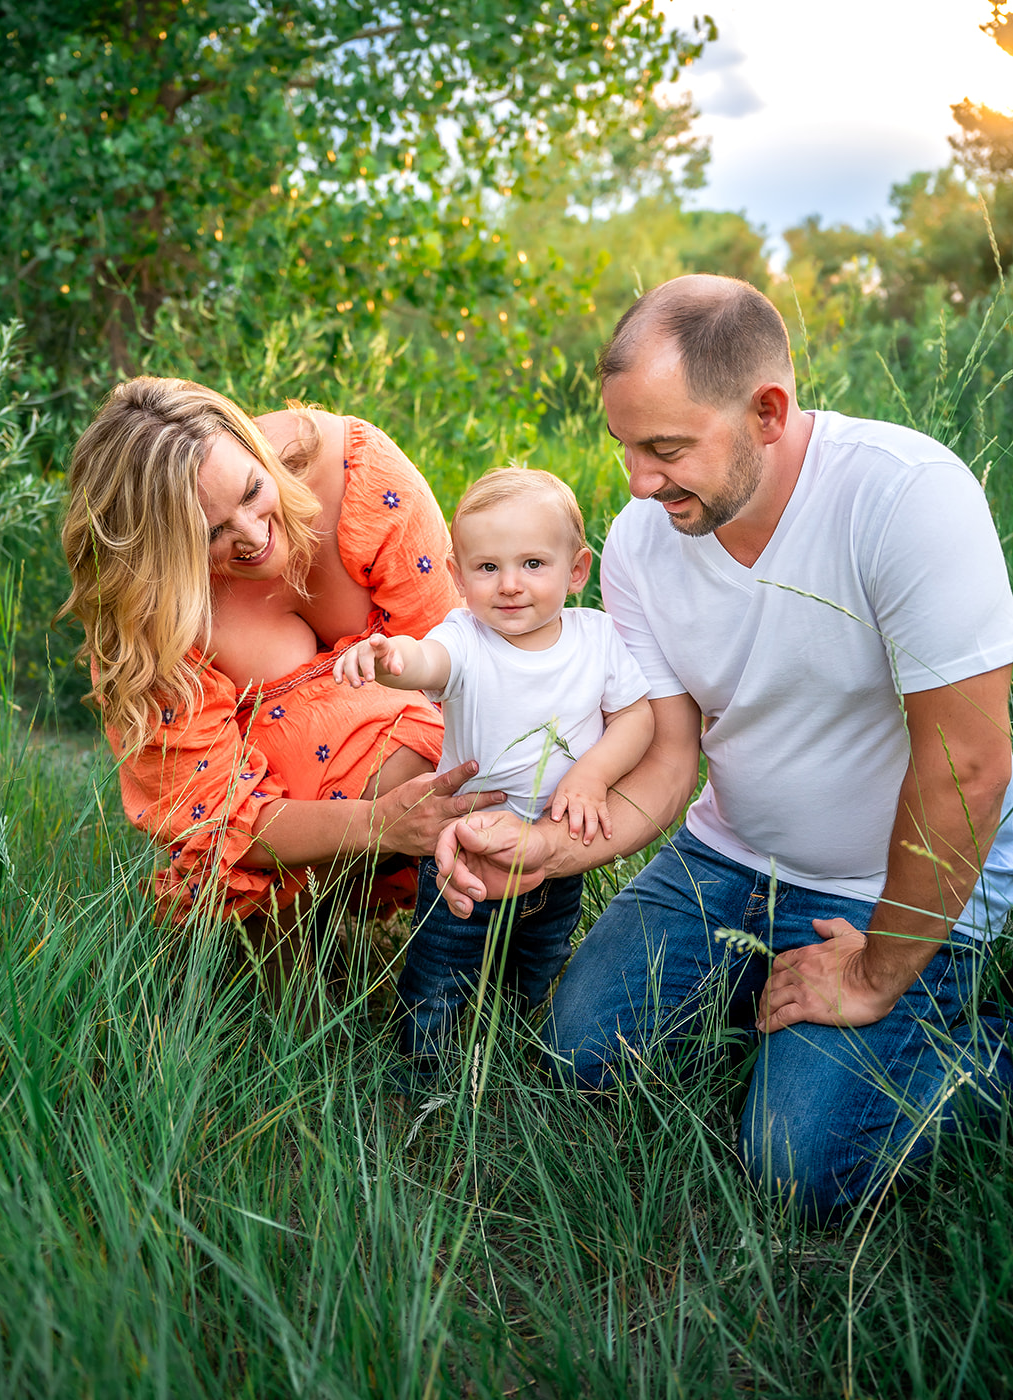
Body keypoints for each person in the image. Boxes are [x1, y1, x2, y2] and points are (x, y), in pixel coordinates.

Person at [433, 275, 1013, 1220]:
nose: (637, 482)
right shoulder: (639, 542)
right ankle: (787, 1014)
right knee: (580, 1054)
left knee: (795, 1167)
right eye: (625, 447)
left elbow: (970, 768)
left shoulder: (905, 496)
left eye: (665, 450)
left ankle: (948, 1035)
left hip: (893, 880)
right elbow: (668, 765)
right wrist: (541, 850)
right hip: (728, 860)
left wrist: (876, 971)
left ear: (766, 413)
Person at [61, 377, 505, 964]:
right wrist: (377, 825)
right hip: (276, 822)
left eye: (252, 490)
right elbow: (216, 813)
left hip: (422, 762)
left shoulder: (358, 477)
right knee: (371, 745)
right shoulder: (148, 611)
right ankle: (283, 971)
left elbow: (465, 661)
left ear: (250, 442)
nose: (252, 535)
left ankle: (473, 951)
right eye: (211, 533)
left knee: (432, 743)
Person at [334, 467, 653, 1066]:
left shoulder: (598, 638)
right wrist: (390, 657)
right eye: (487, 568)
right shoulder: (466, 637)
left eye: (533, 564)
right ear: (457, 577)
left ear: (576, 570)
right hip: (466, 850)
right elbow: (428, 662)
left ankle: (512, 1047)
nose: (509, 585)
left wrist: (592, 775)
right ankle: (422, 1068)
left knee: (540, 959)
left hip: (559, 850)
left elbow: (636, 717)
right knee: (442, 964)